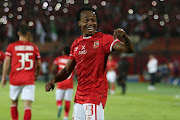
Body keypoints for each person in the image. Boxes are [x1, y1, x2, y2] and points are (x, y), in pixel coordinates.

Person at [45, 6, 134, 120]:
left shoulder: (103, 39)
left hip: (95, 95)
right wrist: (54, 80)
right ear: (79, 23)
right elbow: (67, 70)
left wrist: (124, 37)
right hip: (79, 97)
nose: (90, 23)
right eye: (86, 20)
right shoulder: (76, 44)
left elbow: (128, 49)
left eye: (93, 20)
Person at [1, 24, 41, 120]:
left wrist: (3, 77)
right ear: (28, 34)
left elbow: (6, 62)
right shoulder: (34, 47)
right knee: (27, 106)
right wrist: (37, 74)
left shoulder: (11, 46)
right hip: (29, 79)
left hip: (15, 79)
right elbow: (39, 64)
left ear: (18, 33)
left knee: (14, 103)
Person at [52, 47, 74, 120]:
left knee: (59, 99)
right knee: (68, 101)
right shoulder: (73, 60)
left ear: (63, 52)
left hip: (60, 82)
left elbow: (53, 68)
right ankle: (66, 116)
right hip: (69, 83)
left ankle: (59, 106)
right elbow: (77, 71)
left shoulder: (58, 59)